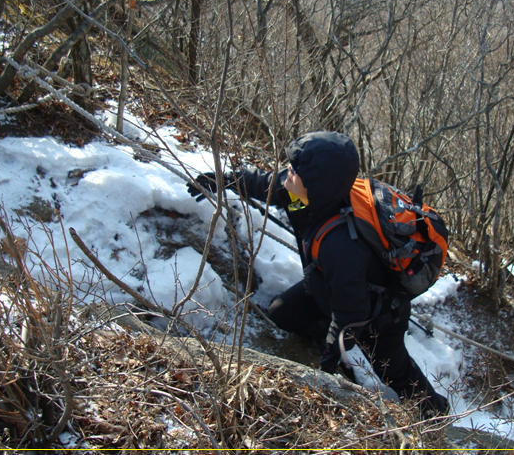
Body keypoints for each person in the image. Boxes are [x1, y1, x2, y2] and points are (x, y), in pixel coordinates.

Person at [187, 131, 449, 417]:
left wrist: (327, 365)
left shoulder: (341, 244)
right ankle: (328, 330)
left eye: (294, 171)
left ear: (315, 183)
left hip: (379, 313)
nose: (287, 173)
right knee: (282, 314)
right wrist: (222, 180)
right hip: (332, 285)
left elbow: (351, 315)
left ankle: (436, 413)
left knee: (395, 372)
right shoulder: (308, 198)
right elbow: (266, 185)